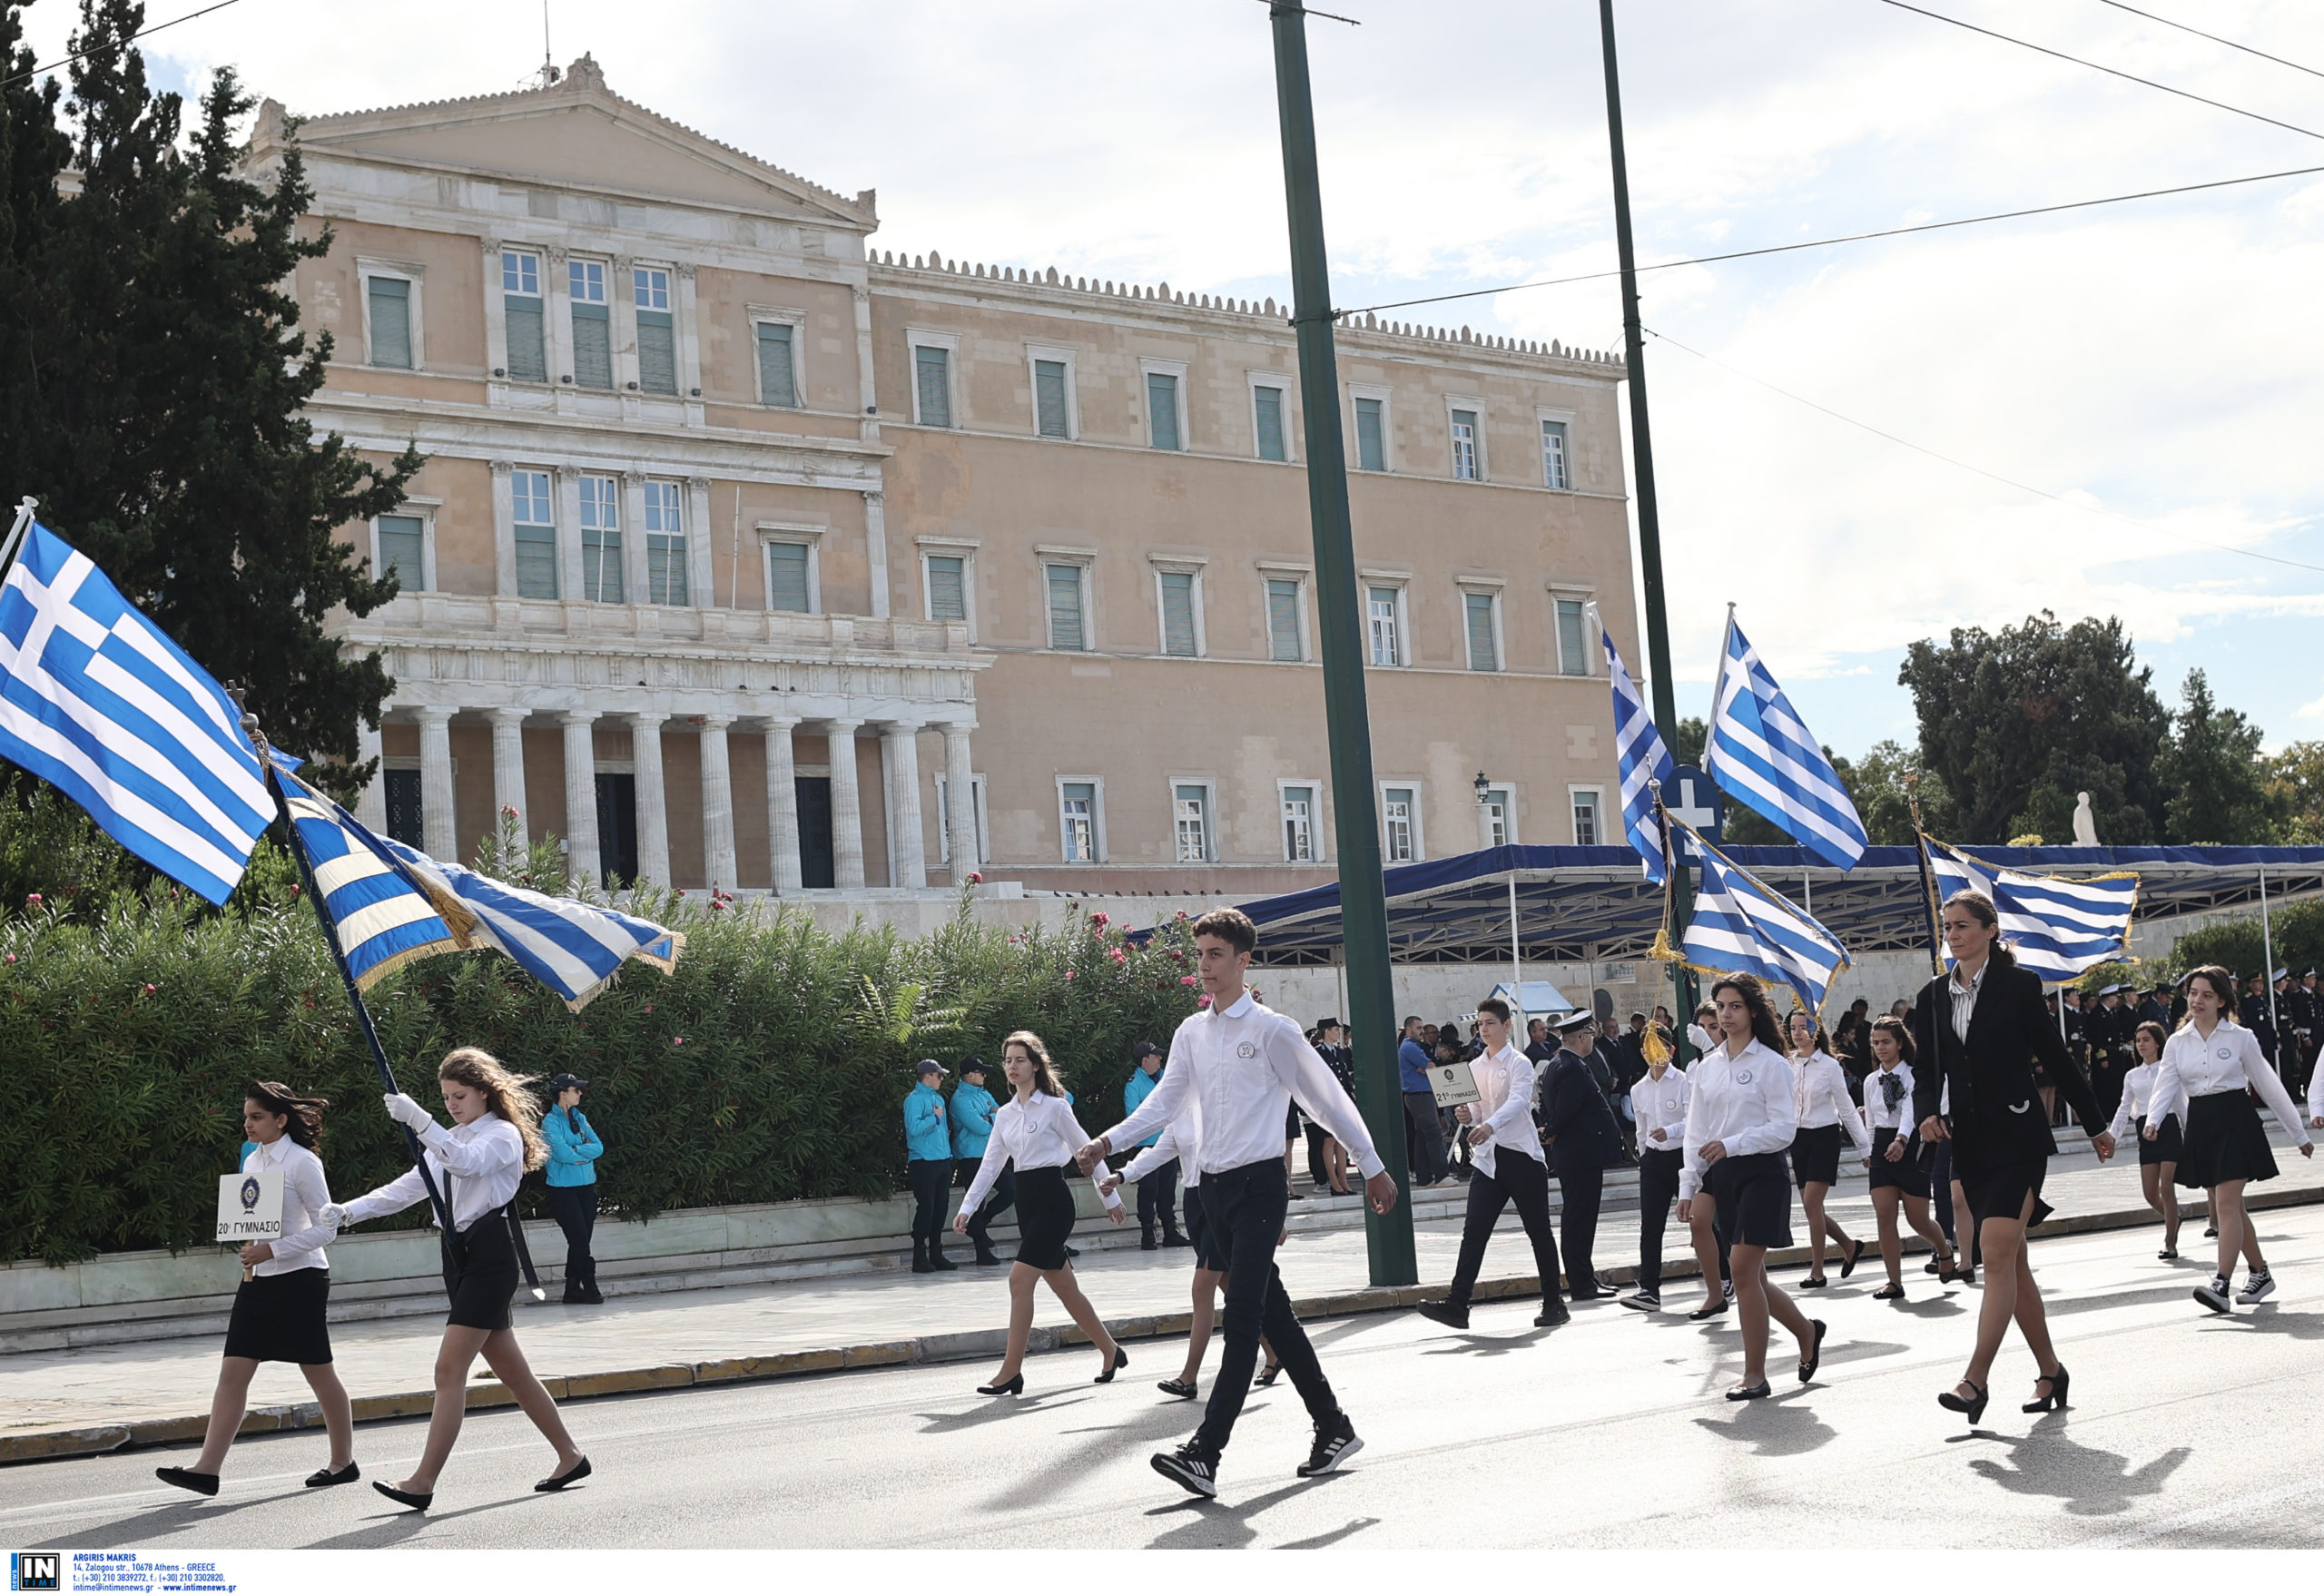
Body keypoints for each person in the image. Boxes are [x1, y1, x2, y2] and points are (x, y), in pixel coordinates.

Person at [1078, 907, 1397, 1500]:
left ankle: (1205, 1452)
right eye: (1200, 954)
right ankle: (1333, 1424)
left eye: (1216, 954)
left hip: (1259, 1189)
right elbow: (1164, 1105)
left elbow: (1325, 1101)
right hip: (1213, 1191)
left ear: (1244, 961)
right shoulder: (1190, 1033)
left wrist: (1371, 1165)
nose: (1205, 966)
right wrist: (1108, 1142)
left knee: (1244, 1316)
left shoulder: (1273, 1030)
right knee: (1274, 1313)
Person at [324, 1049, 589, 1510]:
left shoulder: (501, 1136)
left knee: (449, 1370)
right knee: (513, 1371)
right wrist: (347, 1213)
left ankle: (422, 1482)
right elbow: (405, 1189)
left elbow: (466, 1163)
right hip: (457, 1256)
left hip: (491, 1254)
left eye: (459, 1095)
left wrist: (420, 1121)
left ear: (485, 1091)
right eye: (445, 1097)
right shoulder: (450, 1138)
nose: (452, 1104)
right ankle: (571, 1455)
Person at [1911, 892, 2114, 1425]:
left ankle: (1974, 1380)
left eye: (1962, 926)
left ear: (1990, 930)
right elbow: (1929, 1071)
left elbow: (2056, 1057)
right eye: (1947, 927)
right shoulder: (1933, 995)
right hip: (1969, 1142)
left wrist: (2095, 1124)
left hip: (2019, 1137)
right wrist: (1928, 1111)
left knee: (1995, 1251)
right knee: (2013, 1265)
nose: (1952, 935)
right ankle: (2051, 1369)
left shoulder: (2020, 986)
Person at [155, 1082, 358, 1498]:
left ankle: (343, 1462)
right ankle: (207, 1470)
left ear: (280, 1120)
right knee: (233, 1373)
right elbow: (251, 1220)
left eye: (256, 1117)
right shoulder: (252, 1162)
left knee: (318, 1371)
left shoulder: (303, 1163)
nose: (247, 1124)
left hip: (301, 1281)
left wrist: (273, 1249)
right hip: (257, 1283)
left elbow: (327, 1229)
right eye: (246, 1116)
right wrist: (248, 1245)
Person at [953, 1031, 1127, 1391]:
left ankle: (1011, 1370)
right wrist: (967, 1208)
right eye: (1007, 1060)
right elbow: (990, 1166)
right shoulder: (1003, 1115)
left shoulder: (1055, 1106)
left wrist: (1110, 1197)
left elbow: (1087, 1152)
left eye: (1019, 1060)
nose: (1012, 1066)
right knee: (1066, 1289)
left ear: (1034, 1065)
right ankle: (1111, 1351)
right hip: (1026, 1203)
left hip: (1053, 1202)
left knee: (1019, 1279)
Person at [1679, 974, 1825, 1400]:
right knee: (1753, 1279)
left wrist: (1733, 1143)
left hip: (1762, 1173)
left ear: (1754, 1011)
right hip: (1722, 1175)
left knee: (1742, 1272)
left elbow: (1784, 1130)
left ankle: (1755, 1375)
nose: (1725, 1014)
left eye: (1735, 1006)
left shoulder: (1772, 1064)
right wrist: (1688, 1185)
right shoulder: (1707, 1067)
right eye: (1720, 1006)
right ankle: (1807, 1331)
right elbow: (1695, 1131)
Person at [2147, 966, 2314, 1315]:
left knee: (2225, 1204)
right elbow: (2166, 1084)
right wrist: (2153, 1120)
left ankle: (2221, 1282)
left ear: (2222, 1000)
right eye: (2193, 993)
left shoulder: (2241, 1037)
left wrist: (2298, 1133)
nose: (2197, 1000)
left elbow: (2268, 1084)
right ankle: (2260, 1272)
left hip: (2236, 1121)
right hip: (2202, 1124)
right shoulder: (2177, 1042)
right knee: (2232, 1205)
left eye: (2207, 995)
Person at [1414, 996, 1570, 1331]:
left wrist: (1489, 1125)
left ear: (1506, 1025)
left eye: (1490, 1023)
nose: (1484, 1029)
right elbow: (1475, 1111)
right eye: (1481, 1024)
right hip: (1488, 1161)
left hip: (1521, 1156)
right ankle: (1458, 1304)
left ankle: (1554, 1301)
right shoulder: (1473, 1066)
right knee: (1474, 1232)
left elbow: (1518, 1102)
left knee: (1538, 1231)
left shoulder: (1520, 1063)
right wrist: (1468, 1115)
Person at [1860, 1019, 1959, 1300]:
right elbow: (1871, 1118)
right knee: (1884, 1215)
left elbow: (1909, 1111)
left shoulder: (1913, 1075)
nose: (1880, 1048)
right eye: (1876, 1043)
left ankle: (1944, 1248)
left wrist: (1902, 1140)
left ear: (1900, 1043)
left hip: (1911, 1141)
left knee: (1918, 1219)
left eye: (1886, 1042)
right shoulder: (1871, 1081)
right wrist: (1869, 1150)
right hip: (1883, 1145)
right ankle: (1894, 1281)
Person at [1538, 1010, 1624, 1302]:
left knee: (1579, 1218)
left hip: (1576, 1153)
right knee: (1580, 1219)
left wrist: (1552, 1128)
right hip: (1581, 1154)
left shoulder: (1558, 1064)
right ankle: (1582, 1282)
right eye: (1590, 1036)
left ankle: (1584, 1277)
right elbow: (1567, 1108)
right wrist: (1552, 1129)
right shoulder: (1573, 1066)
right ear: (1583, 1038)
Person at [1786, 1010, 1871, 1288]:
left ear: (1816, 1031)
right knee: (1814, 1209)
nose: (1797, 1033)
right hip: (1798, 1140)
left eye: (1803, 1027)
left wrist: (1864, 1149)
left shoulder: (1829, 1065)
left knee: (1811, 1204)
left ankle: (1818, 1271)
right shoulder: (1788, 1063)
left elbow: (1846, 1108)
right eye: (1793, 1028)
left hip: (1824, 1137)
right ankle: (1849, 1245)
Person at [1620, 1035, 1699, 1314]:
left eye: (1662, 1048)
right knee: (1651, 1226)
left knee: (1700, 1222)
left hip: (1681, 1154)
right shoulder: (1638, 1088)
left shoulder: (1683, 1082)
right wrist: (1644, 1157)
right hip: (1654, 1159)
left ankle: (1724, 1275)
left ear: (1671, 1050)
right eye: (1650, 1049)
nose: (1656, 1055)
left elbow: (1692, 1119)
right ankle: (1649, 1287)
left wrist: (1671, 1131)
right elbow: (1641, 1128)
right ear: (1642, 1053)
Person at [2110, 1020, 2186, 1262]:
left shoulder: (2170, 1068)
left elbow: (2181, 1103)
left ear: (2157, 1043)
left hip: (2169, 1126)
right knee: (2151, 1194)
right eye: (2138, 1040)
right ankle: (2173, 1218)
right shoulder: (2132, 1075)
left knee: (2167, 1186)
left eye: (2146, 1040)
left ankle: (2170, 1242)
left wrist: (2192, 1130)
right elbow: (2124, 1108)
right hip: (2145, 1130)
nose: (2141, 1045)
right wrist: (2112, 1136)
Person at [540, 1072, 603, 1305]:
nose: (579, 1093)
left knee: (582, 1239)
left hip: (586, 1187)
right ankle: (590, 1285)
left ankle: (572, 1289)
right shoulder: (550, 1122)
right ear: (562, 1093)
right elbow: (562, 1153)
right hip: (563, 1190)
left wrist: (577, 1153)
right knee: (578, 1239)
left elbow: (598, 1147)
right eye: (575, 1090)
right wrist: (580, 1152)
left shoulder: (580, 1117)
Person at [1122, 1040, 1187, 1249]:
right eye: (1155, 1056)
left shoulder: (1164, 1079)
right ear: (1144, 1060)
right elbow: (1133, 1116)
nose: (1160, 1059)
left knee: (1167, 1189)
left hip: (1168, 1144)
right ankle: (1147, 1233)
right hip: (1147, 1147)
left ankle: (1170, 1230)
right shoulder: (1133, 1085)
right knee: (1148, 1189)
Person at [950, 1057, 1009, 1266]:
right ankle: (982, 1251)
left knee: (1012, 1189)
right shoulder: (960, 1100)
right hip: (971, 1155)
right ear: (970, 1074)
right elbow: (980, 1127)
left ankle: (981, 1224)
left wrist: (989, 1117)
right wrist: (991, 1117)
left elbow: (1004, 1118)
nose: (984, 1076)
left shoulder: (984, 1093)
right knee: (977, 1200)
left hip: (991, 1154)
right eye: (981, 1073)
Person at [903, 1059, 959, 1274]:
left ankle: (937, 1252)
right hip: (923, 1162)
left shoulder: (938, 1098)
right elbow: (913, 1128)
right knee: (926, 1207)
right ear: (927, 1076)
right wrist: (934, 1119)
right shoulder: (914, 1100)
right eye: (938, 1075)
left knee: (941, 1208)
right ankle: (919, 1255)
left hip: (942, 1160)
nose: (941, 1079)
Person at [1398, 1015, 1448, 1187]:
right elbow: (1430, 1067)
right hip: (1419, 1095)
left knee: (1421, 1137)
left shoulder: (1412, 1047)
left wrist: (1426, 1068)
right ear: (1409, 1029)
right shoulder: (1410, 1047)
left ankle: (1424, 1177)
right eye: (1419, 1028)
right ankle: (1442, 1175)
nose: (1422, 1031)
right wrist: (1427, 1068)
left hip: (1418, 1095)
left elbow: (1427, 1068)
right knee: (1434, 1133)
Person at [1311, 1020, 1356, 1195]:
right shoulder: (1317, 1053)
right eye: (1336, 1030)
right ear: (1326, 1031)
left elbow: (1344, 1077)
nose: (1339, 1033)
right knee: (1329, 1140)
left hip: (1342, 1101)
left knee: (1342, 1140)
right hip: (1328, 1102)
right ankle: (1334, 1182)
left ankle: (1344, 1181)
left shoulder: (1340, 1052)